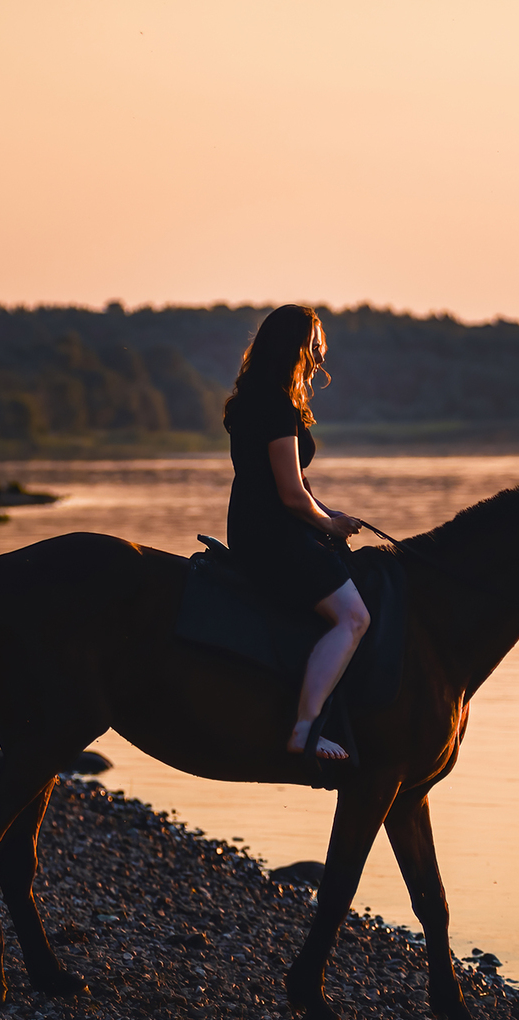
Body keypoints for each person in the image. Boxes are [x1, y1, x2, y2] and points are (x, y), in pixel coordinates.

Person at [223, 304, 369, 763]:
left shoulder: (257, 396)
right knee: (354, 617)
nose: (321, 359)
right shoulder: (275, 404)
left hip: (256, 524)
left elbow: (298, 486)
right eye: (317, 347)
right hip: (272, 533)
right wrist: (324, 523)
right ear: (298, 348)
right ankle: (304, 730)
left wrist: (326, 511)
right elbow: (289, 494)